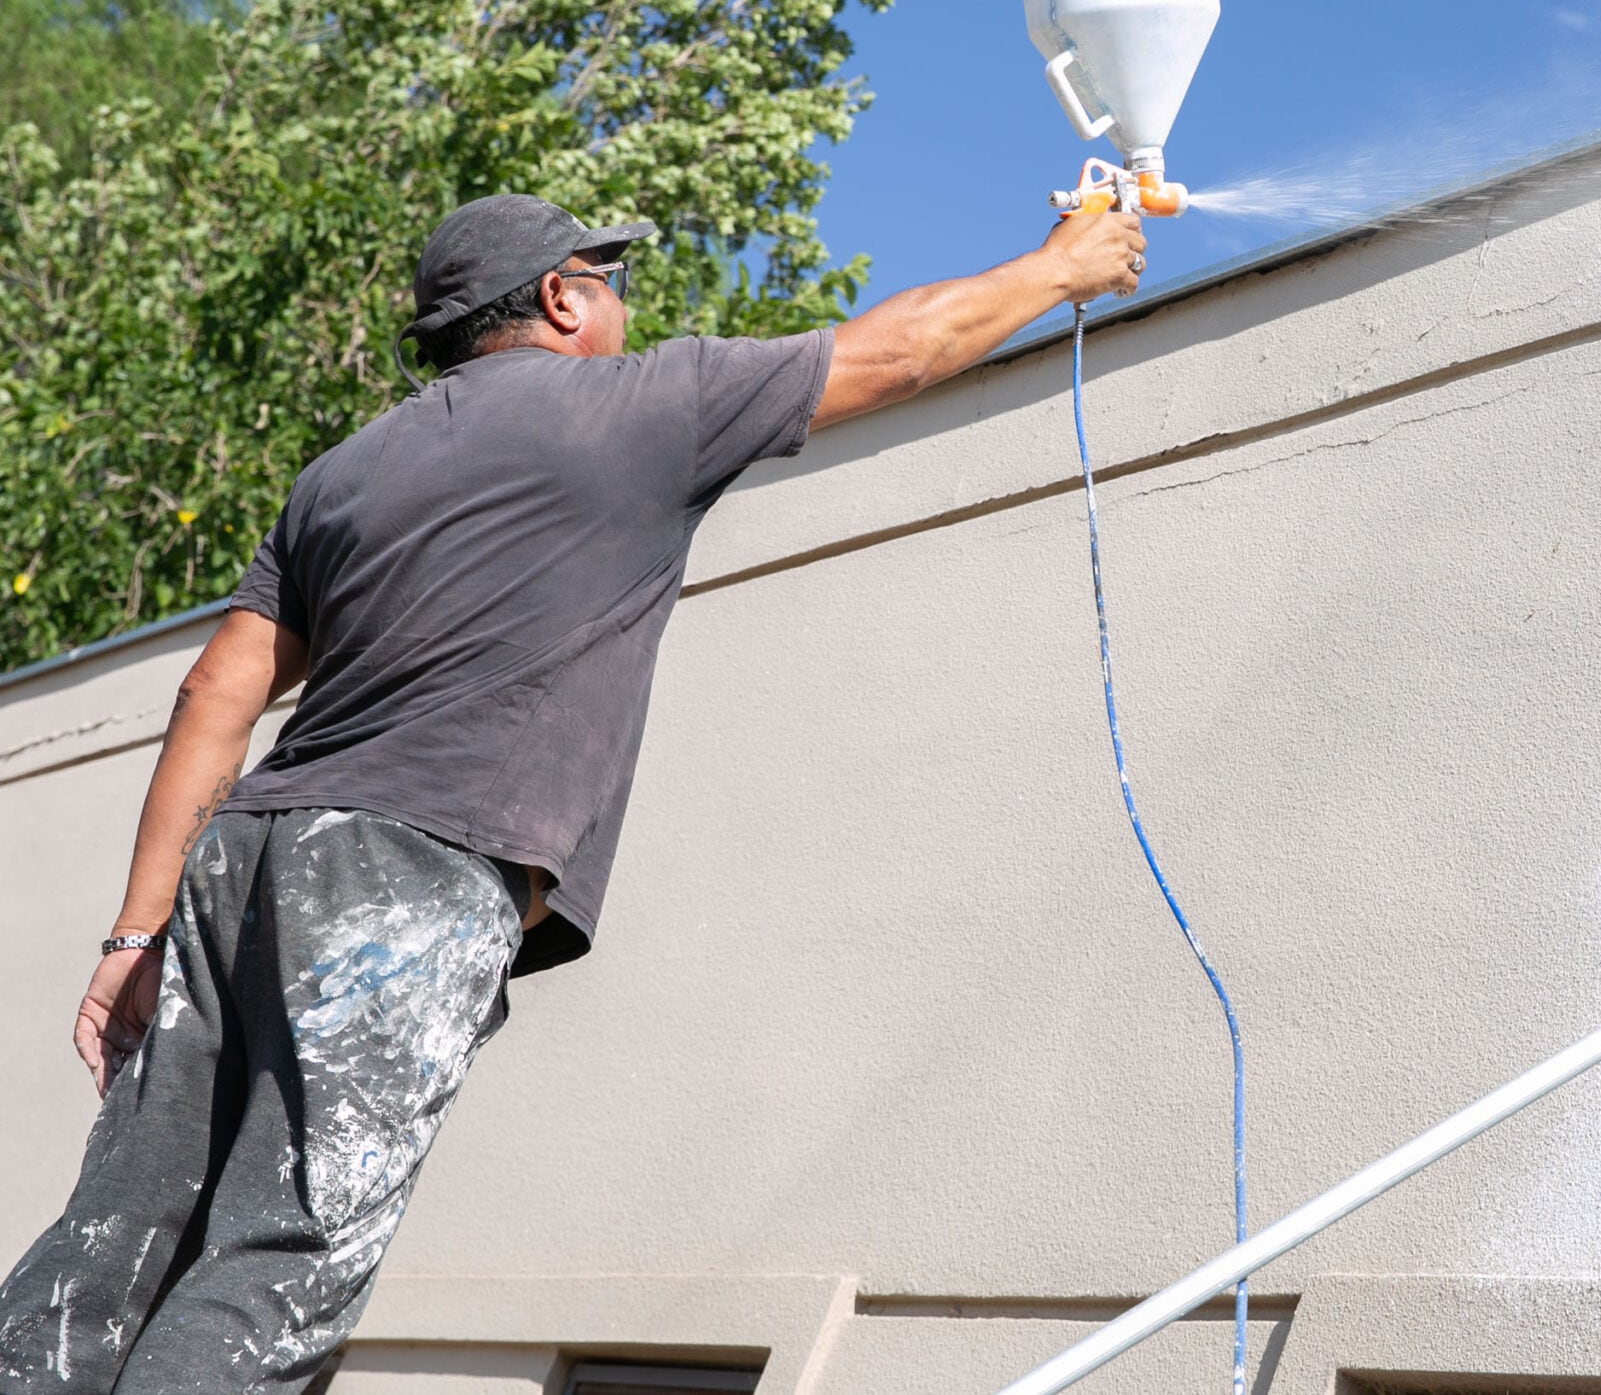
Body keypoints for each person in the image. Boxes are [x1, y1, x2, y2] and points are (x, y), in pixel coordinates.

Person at [0, 193, 1148, 1393]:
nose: (625, 306)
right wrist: (1064, 266)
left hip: (235, 866)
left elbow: (213, 695)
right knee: (284, 1251)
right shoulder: (642, 407)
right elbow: (901, 347)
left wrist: (138, 929)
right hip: (407, 870)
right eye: (611, 280)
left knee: (107, 1245)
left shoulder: (338, 476)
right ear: (561, 297)